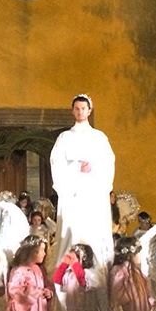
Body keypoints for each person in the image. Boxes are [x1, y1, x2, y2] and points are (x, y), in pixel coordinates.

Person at [50, 94, 115, 269]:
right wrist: (76, 167)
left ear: (89, 110)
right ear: (73, 111)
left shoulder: (99, 137)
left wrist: (93, 167)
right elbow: (56, 163)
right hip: (73, 194)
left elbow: (108, 162)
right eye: (77, 109)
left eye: (83, 109)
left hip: (93, 194)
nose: (80, 112)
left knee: (94, 232)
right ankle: (68, 268)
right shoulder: (64, 137)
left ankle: (98, 267)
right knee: (73, 231)